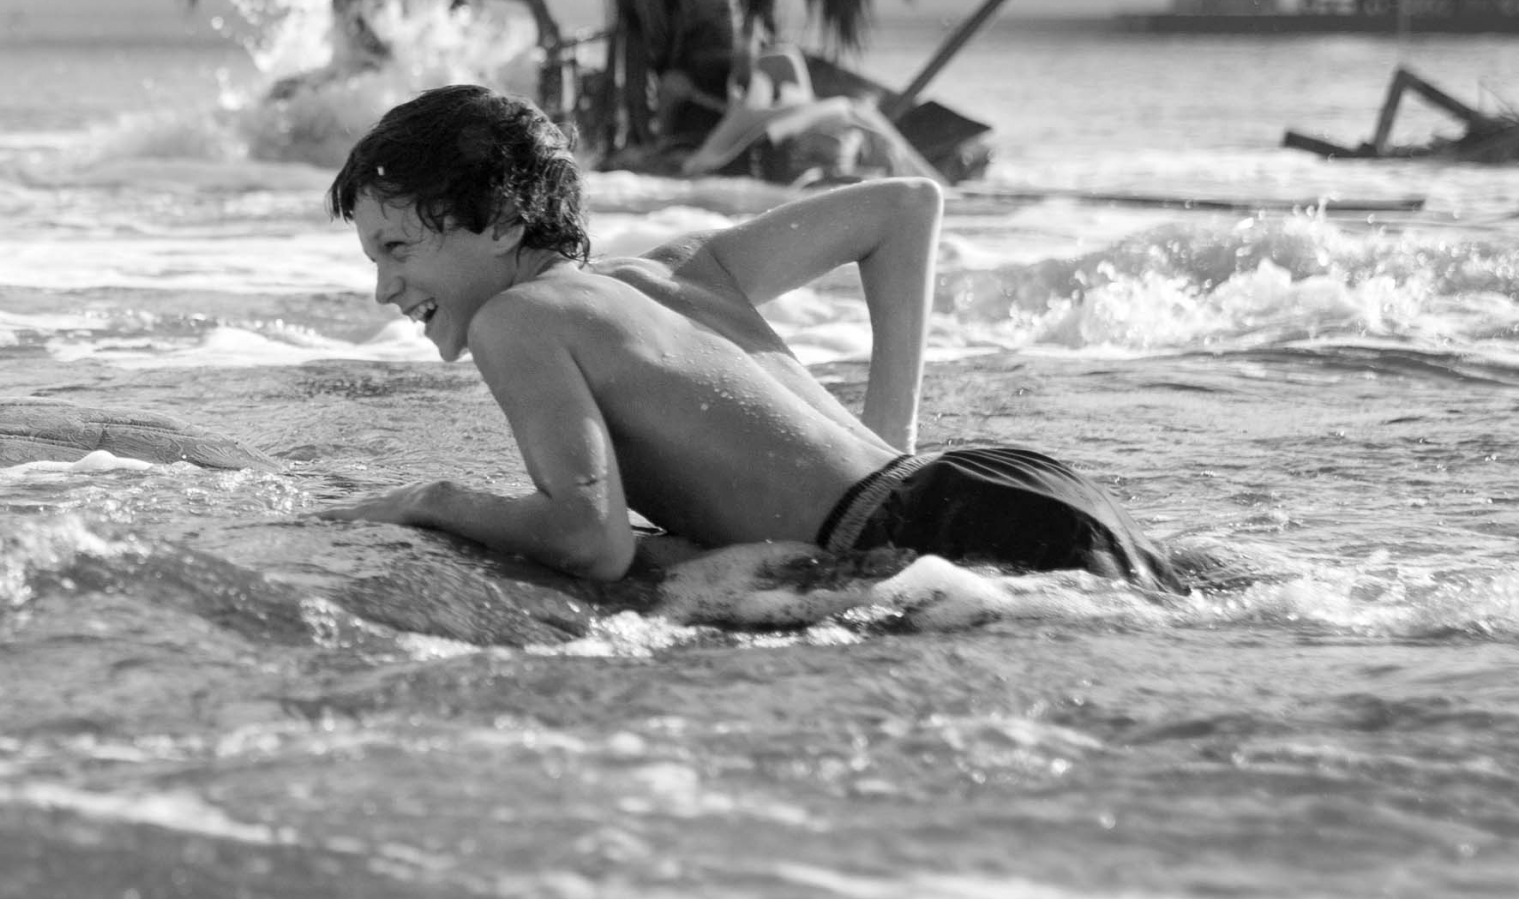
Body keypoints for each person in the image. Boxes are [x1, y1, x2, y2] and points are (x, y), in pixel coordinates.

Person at [321, 84, 1174, 588]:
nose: (384, 288)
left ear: (505, 223)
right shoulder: (674, 269)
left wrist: (431, 500)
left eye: (398, 249)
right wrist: (892, 446)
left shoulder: (516, 320)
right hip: (996, 483)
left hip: (930, 533)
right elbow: (904, 208)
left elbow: (588, 539)